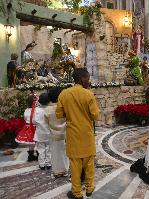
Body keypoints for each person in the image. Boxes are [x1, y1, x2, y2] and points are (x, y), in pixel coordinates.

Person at [56, 68, 100, 199]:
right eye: (87, 78)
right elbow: (95, 115)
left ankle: (76, 193)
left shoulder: (64, 94)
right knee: (89, 163)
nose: (89, 80)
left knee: (75, 166)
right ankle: (90, 188)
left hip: (73, 135)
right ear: (82, 78)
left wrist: (70, 113)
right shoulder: (88, 94)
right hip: (86, 134)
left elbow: (59, 114)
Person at [45, 87, 69, 177]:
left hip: (53, 134)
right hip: (65, 133)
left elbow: (46, 122)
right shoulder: (64, 108)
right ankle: (65, 170)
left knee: (55, 153)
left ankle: (57, 171)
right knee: (65, 153)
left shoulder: (47, 109)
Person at [15, 94, 38, 161]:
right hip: (35, 127)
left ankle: (30, 156)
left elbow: (25, 118)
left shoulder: (26, 110)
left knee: (30, 143)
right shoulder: (37, 110)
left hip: (28, 127)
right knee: (38, 142)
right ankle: (39, 154)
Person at [34, 93, 51, 170]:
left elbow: (34, 121)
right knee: (49, 149)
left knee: (41, 149)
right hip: (49, 132)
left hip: (40, 133)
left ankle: (42, 164)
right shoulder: (49, 110)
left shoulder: (36, 110)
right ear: (48, 102)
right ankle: (49, 163)